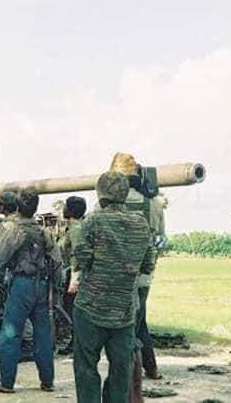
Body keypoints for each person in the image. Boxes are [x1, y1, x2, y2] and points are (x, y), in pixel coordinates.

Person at [73, 171, 155, 403]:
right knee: (121, 370)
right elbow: (148, 265)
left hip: (90, 308)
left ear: (101, 195)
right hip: (124, 312)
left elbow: (82, 259)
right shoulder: (141, 224)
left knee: (86, 367)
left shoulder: (93, 221)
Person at [0, 190, 55, 394]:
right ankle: (47, 382)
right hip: (41, 285)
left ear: (17, 207)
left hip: (21, 284)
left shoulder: (13, 232)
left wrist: (1, 282)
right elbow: (57, 262)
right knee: (43, 334)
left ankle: (7, 383)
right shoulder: (44, 232)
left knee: (10, 334)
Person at [110, 152, 164, 381]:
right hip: (143, 275)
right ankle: (150, 367)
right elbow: (160, 240)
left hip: (115, 275)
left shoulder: (105, 205)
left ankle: (128, 377)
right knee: (139, 318)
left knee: (126, 327)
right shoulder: (154, 204)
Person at [57, 195, 87, 355]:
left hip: (73, 274)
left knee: (73, 310)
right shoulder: (72, 228)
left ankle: (77, 343)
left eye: (65, 206)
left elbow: (76, 254)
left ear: (70, 210)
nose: (63, 209)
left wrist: (74, 280)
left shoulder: (75, 230)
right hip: (70, 273)